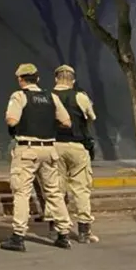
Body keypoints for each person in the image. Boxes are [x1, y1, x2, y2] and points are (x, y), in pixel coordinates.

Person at [0, 63, 74, 252]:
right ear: (38, 79)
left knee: (22, 192)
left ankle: (18, 236)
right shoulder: (52, 97)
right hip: (49, 149)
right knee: (54, 192)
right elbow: (66, 121)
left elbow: (12, 120)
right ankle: (63, 234)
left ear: (20, 80)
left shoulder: (19, 96)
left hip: (27, 149)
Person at [50, 64, 98, 243]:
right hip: (77, 146)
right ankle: (84, 231)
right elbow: (92, 117)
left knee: (55, 188)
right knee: (81, 189)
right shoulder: (80, 97)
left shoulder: (48, 96)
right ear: (73, 80)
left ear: (56, 79)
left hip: (53, 146)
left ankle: (56, 228)